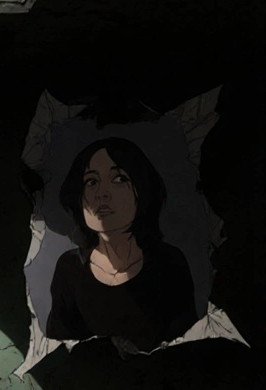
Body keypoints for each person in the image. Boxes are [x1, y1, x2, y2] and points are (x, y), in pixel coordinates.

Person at [46, 137, 197, 351]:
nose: (102, 193)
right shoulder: (69, 269)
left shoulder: (170, 263)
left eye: (118, 179)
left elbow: (188, 348)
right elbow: (59, 351)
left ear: (141, 190)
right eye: (91, 181)